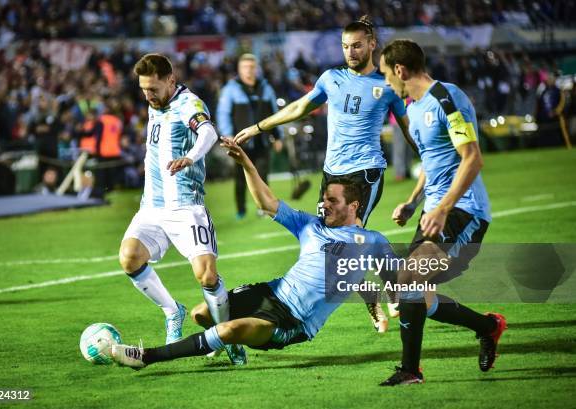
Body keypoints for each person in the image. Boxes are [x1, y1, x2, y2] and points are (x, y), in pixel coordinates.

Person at [110, 137, 399, 369]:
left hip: (294, 321)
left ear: (354, 207)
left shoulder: (371, 240)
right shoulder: (311, 225)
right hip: (271, 293)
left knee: (227, 330)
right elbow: (268, 202)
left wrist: (391, 299)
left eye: (332, 201)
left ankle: (146, 357)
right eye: (324, 200)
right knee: (201, 314)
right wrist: (246, 163)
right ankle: (232, 345)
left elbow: (394, 277)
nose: (324, 206)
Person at [234, 16, 414, 331]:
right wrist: (258, 127)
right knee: (333, 245)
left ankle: (392, 291)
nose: (351, 52)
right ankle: (371, 294)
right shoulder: (331, 78)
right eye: (346, 46)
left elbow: (409, 127)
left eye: (357, 45)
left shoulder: (388, 85)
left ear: (372, 44)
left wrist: (435, 156)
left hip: (364, 173)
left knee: (353, 240)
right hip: (331, 174)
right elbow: (298, 107)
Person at [378, 39, 507, 386]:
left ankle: (410, 370)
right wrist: (413, 201)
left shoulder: (447, 99)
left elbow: (472, 158)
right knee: (419, 295)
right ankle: (489, 327)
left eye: (386, 73)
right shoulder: (414, 107)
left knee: (408, 280)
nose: (385, 81)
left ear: (400, 70)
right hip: (434, 214)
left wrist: (444, 207)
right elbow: (433, 163)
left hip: (465, 211)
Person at [118, 53, 246, 365]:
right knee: (129, 258)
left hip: (186, 206)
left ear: (171, 81)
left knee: (207, 276)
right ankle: (171, 311)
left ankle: (228, 337)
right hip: (151, 208)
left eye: (154, 89)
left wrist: (190, 156)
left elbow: (208, 133)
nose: (148, 95)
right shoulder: (154, 105)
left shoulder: (188, 103)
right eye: (144, 89)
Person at [216, 53, 284, 219]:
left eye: (252, 67)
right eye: (245, 67)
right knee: (240, 178)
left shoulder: (266, 88)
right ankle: (241, 210)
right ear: (239, 69)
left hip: (262, 141)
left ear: (257, 68)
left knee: (262, 175)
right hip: (239, 142)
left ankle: (265, 208)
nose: (249, 70)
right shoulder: (230, 89)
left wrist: (278, 136)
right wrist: (228, 135)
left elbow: (274, 114)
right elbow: (223, 114)